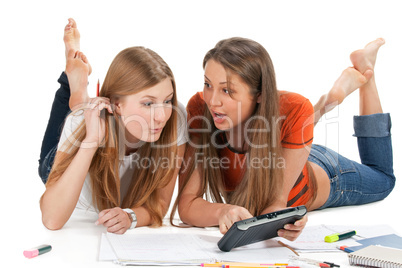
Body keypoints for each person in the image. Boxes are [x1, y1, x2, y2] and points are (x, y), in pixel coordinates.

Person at [171, 37, 395, 241]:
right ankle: (318, 110)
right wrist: (222, 211)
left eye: (227, 91)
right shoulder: (200, 108)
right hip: (292, 147)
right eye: (208, 85)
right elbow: (187, 205)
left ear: (259, 94)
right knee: (293, 118)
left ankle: (368, 76)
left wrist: (283, 220)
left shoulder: (293, 108)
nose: (212, 101)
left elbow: (274, 204)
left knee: (384, 180)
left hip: (328, 174)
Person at [39, 19, 187, 234]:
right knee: (76, 112)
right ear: (117, 104)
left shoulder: (176, 116)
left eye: (167, 100)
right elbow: (52, 220)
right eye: (148, 103)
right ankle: (74, 83)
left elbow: (160, 205)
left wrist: (131, 217)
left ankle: (79, 93)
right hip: (65, 163)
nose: (162, 116)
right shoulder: (80, 123)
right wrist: (91, 141)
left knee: (80, 107)